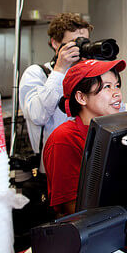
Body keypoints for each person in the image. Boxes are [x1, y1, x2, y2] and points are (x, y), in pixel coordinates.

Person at [43, 59, 125, 217]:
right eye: (107, 87)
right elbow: (74, 209)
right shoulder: (64, 139)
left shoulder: (116, 130)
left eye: (117, 85)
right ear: (81, 97)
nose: (117, 93)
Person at [19, 13, 93, 162]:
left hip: (83, 161)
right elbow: (38, 116)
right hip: (51, 164)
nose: (81, 48)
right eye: (74, 43)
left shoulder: (86, 75)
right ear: (55, 43)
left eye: (85, 42)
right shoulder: (37, 73)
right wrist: (60, 70)